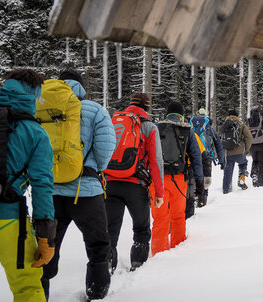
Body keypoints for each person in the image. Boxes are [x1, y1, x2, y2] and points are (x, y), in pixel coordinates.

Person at [41, 70, 116, 301]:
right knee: (97, 243)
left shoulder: (43, 108)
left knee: (45, 244)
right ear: (81, 87)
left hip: (49, 191)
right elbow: (105, 147)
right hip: (85, 190)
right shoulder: (95, 110)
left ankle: (39, 290)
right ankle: (96, 291)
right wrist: (94, 168)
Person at [0, 69, 56, 302]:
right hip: (10, 221)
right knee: (27, 288)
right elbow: (42, 185)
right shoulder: (35, 132)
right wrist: (46, 238)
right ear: (33, 93)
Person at [104, 93, 164, 273]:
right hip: (136, 185)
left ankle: (106, 264)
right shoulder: (149, 127)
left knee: (110, 229)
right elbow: (155, 161)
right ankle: (137, 264)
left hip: (110, 182)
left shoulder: (113, 122)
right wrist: (159, 193)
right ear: (147, 107)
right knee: (141, 227)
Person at [150, 101, 204, 256]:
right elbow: (196, 157)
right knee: (178, 216)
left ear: (167, 113)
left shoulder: (156, 127)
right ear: (181, 115)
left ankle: (158, 253)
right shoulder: (187, 130)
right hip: (179, 179)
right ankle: (177, 251)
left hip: (157, 179)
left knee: (160, 218)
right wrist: (199, 181)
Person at [190, 107, 225, 206]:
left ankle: (193, 200)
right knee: (206, 179)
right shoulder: (210, 129)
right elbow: (218, 144)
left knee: (194, 178)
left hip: (193, 157)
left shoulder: (191, 127)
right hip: (207, 158)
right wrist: (221, 160)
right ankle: (202, 202)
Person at [220, 109, 253, 193]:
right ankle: (241, 177)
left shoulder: (224, 125)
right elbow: (249, 137)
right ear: (237, 116)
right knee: (243, 163)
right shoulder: (241, 125)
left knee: (227, 173)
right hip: (239, 152)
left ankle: (226, 190)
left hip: (227, 153)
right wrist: (246, 149)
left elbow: (219, 137)